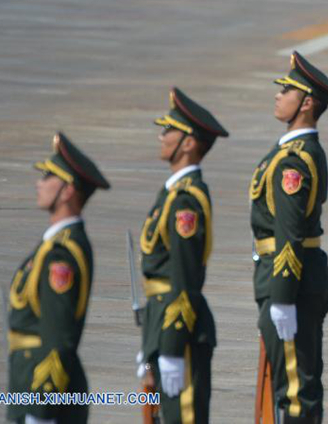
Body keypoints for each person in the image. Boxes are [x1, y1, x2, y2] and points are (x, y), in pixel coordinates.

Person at [250, 51, 328, 423]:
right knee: (295, 381)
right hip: (297, 276)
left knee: (294, 387)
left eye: (286, 90)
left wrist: (283, 296)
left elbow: (289, 231)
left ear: (305, 103)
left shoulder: (294, 160)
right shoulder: (296, 151)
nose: (278, 95)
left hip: (292, 280)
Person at [137, 87, 228, 424]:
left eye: (169, 131)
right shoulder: (172, 194)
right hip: (161, 326)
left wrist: (172, 347)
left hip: (180, 333)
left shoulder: (186, 201)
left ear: (188, 143)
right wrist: (150, 346)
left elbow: (185, 278)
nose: (162, 136)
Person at [7, 132, 109, 423]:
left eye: (47, 177)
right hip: (28, 384)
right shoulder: (54, 246)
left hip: (46, 395)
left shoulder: (61, 254)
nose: (39, 184)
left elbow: (58, 336)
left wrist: (42, 408)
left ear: (67, 190)